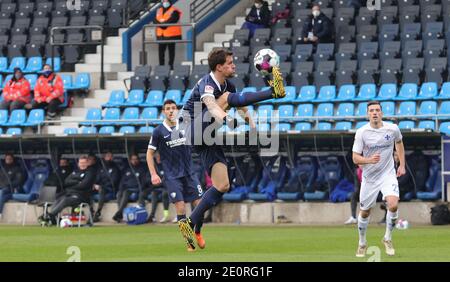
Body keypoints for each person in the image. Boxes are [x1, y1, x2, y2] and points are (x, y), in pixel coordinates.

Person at [177, 48, 286, 250]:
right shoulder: (207, 84)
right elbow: (211, 105)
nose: (234, 65)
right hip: (192, 129)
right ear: (219, 67)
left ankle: (192, 225)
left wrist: (252, 126)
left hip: (207, 136)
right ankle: (273, 92)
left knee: (222, 185)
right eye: (229, 63)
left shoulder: (228, 85)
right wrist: (227, 119)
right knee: (227, 97)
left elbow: (241, 105)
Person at [147, 99, 204, 250]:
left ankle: (197, 231)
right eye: (168, 109)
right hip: (172, 176)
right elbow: (149, 153)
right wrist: (153, 174)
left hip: (190, 173)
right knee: (180, 208)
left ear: (177, 110)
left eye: (173, 108)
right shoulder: (158, 131)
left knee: (200, 205)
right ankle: (189, 241)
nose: (171, 111)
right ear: (163, 112)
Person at [352, 101, 406, 257]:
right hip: (369, 178)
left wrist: (402, 165)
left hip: (388, 174)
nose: (374, 113)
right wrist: (369, 160)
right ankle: (362, 242)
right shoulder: (362, 132)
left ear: (382, 113)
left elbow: (399, 143)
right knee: (364, 212)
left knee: (393, 204)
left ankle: (387, 238)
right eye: (371, 111)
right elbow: (355, 158)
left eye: (377, 110)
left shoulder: (393, 129)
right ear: (367, 114)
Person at [38, 155, 96, 226]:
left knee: (65, 200)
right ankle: (53, 218)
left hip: (81, 196)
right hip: (69, 193)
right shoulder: (75, 171)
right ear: (78, 163)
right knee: (58, 197)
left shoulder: (90, 172)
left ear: (87, 163)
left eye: (84, 163)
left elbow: (84, 185)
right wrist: (77, 181)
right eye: (81, 163)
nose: (82, 164)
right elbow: (66, 181)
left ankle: (50, 216)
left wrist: (73, 185)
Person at [112, 154, 148, 223]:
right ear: (130, 160)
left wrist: (140, 189)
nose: (134, 161)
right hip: (128, 189)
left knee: (125, 193)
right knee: (120, 193)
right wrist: (121, 189)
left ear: (138, 160)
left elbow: (144, 182)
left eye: (136, 159)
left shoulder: (142, 169)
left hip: (137, 190)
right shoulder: (127, 169)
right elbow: (122, 181)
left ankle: (119, 213)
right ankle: (121, 213)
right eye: (133, 159)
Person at [138, 151, 170, 223]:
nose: (158, 158)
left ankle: (166, 215)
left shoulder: (166, 165)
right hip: (155, 187)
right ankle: (150, 215)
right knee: (149, 193)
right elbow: (147, 178)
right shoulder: (152, 166)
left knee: (165, 193)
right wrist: (155, 182)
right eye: (157, 157)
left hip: (166, 187)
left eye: (160, 156)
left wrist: (160, 182)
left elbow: (168, 178)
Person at [93, 151, 121, 222]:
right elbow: (96, 179)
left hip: (110, 191)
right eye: (107, 156)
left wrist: (101, 186)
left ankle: (98, 211)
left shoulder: (115, 168)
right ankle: (91, 212)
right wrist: (95, 185)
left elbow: (114, 181)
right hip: (99, 191)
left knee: (102, 190)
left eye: (110, 157)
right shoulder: (101, 168)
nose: (109, 158)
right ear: (104, 157)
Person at [154, 0, 182, 70]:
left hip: (172, 34)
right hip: (161, 35)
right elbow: (155, 20)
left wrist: (162, 25)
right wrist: (162, 25)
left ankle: (170, 66)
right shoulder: (159, 10)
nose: (165, 3)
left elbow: (173, 20)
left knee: (171, 51)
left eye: (166, 1)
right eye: (164, 1)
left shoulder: (174, 11)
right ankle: (161, 66)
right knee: (161, 52)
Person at [0, 153, 27, 220]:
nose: (8, 160)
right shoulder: (2, 169)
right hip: (2, 189)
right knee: (2, 197)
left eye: (9, 159)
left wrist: (9, 185)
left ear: (12, 159)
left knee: (1, 192)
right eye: (6, 159)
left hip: (9, 189)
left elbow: (18, 181)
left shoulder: (16, 168)